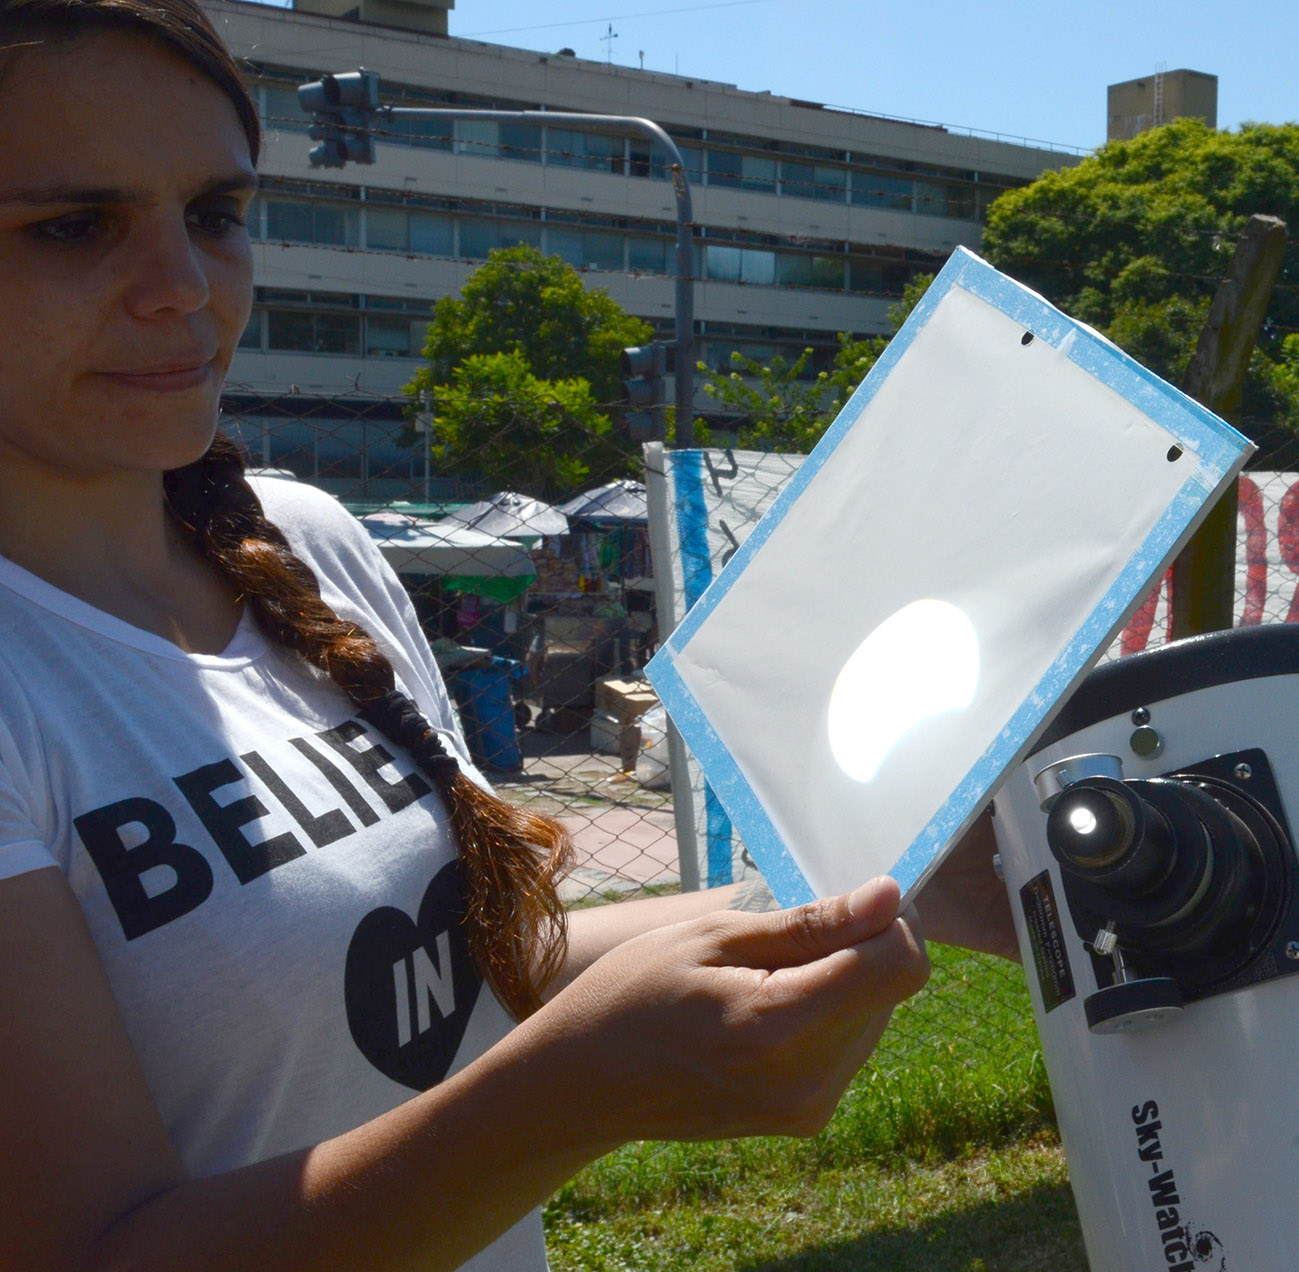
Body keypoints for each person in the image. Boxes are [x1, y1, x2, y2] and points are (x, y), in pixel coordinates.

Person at [0, 2, 1015, 1268]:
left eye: (215, 213)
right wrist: (575, 1094)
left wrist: (882, 880)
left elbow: (476, 955)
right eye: (72, 227)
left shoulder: (304, 542)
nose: (185, 290)